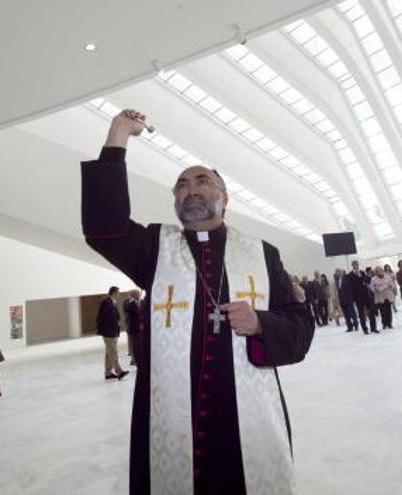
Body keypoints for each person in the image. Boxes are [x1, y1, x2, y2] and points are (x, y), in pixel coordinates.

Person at [82, 109, 314, 494]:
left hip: (246, 425)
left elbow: (302, 326)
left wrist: (260, 323)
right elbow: (103, 227)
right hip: (172, 418)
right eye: (182, 185)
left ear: (225, 198)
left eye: (203, 181)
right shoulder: (155, 249)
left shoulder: (262, 253)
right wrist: (118, 134)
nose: (191, 189)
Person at [98, 286, 129, 380]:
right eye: (118, 293)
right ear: (113, 293)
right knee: (113, 352)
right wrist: (107, 328)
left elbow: (116, 316)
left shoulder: (113, 302)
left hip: (113, 331)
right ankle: (119, 372)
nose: (119, 294)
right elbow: (101, 318)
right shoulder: (106, 302)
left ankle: (108, 373)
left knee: (109, 353)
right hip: (108, 332)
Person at [346, 260, 376, 333]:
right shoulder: (349, 275)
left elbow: (367, 280)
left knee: (371, 311)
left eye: (357, 264)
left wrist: (365, 277)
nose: (356, 266)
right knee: (361, 313)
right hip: (357, 297)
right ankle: (365, 329)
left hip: (366, 295)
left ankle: (373, 328)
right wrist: (359, 279)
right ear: (352, 266)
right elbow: (351, 286)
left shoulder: (362, 272)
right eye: (354, 265)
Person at [124, 290, 142, 367]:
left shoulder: (144, 302)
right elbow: (129, 317)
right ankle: (136, 361)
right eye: (136, 294)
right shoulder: (129, 305)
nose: (138, 295)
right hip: (134, 329)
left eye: (138, 293)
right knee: (135, 346)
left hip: (144, 329)